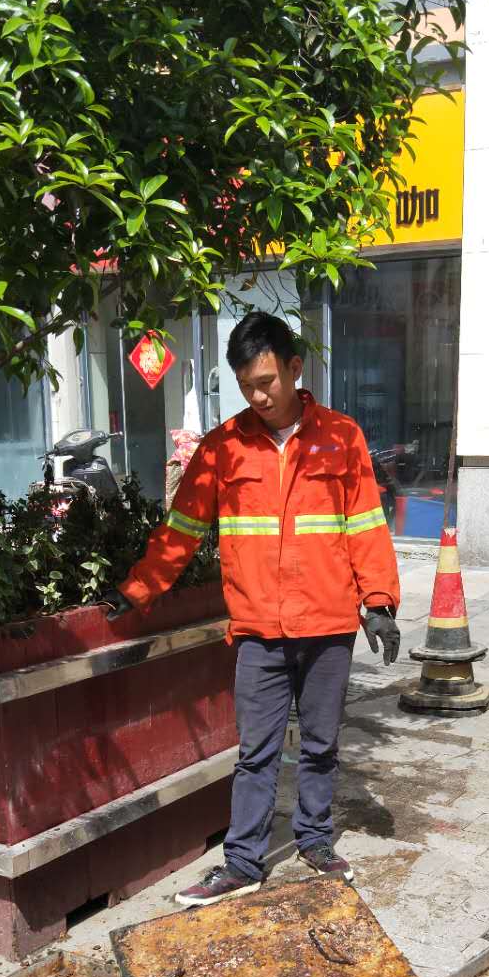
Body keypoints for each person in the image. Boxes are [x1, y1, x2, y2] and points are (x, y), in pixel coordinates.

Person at [104, 311, 401, 904]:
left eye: (267, 381)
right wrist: (138, 589)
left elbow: (367, 525)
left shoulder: (342, 437)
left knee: (320, 744)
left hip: (327, 624)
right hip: (260, 629)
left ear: (295, 369)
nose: (259, 396)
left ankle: (315, 838)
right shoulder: (223, 448)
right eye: (247, 387)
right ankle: (243, 860)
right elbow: (182, 530)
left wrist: (380, 602)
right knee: (256, 752)